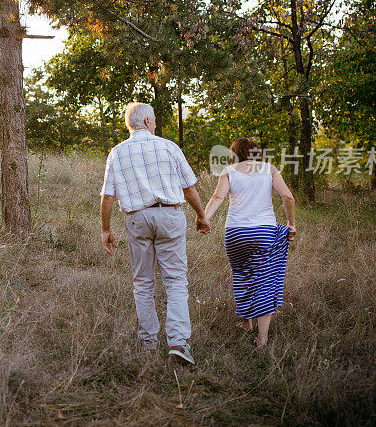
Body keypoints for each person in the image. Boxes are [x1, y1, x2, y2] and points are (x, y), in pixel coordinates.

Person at [100, 102, 211, 365]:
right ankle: (178, 343)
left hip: (137, 218)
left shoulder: (117, 153)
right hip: (169, 215)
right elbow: (189, 189)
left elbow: (107, 196)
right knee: (175, 281)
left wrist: (106, 229)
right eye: (155, 121)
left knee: (143, 282)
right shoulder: (169, 147)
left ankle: (148, 342)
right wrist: (200, 215)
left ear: (131, 124)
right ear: (148, 121)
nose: (156, 124)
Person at [203, 138, 297, 349]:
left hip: (235, 233)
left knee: (242, 275)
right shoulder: (269, 169)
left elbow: (218, 197)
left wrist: (205, 218)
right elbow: (288, 197)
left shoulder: (229, 170)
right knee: (264, 281)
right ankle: (262, 339)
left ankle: (247, 323)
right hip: (263, 232)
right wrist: (291, 225)